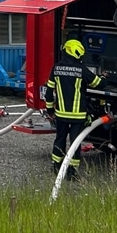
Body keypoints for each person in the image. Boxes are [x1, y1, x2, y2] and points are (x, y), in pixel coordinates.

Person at [47, 38, 103, 180]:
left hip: (61, 114)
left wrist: (50, 110)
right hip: (78, 116)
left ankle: (56, 167)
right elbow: (98, 83)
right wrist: (104, 76)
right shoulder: (81, 69)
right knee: (75, 142)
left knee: (60, 139)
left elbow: (49, 92)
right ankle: (71, 172)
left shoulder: (56, 68)